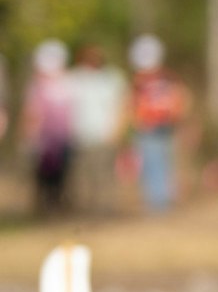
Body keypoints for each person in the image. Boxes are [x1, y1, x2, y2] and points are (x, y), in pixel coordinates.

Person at [128, 35, 191, 212]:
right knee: (159, 163)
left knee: (155, 163)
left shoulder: (141, 80)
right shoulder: (167, 77)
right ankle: (159, 201)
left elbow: (131, 103)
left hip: (155, 126)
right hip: (156, 125)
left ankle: (158, 202)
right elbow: (183, 98)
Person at [66, 43, 130, 215]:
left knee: (105, 176)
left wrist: (118, 130)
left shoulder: (112, 78)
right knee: (82, 177)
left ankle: (106, 211)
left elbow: (123, 105)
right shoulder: (73, 78)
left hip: (104, 135)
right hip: (79, 136)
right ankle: (84, 211)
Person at [19, 40, 77, 216]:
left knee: (61, 175)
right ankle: (43, 207)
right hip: (43, 139)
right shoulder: (36, 86)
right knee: (42, 175)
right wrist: (28, 134)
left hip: (63, 137)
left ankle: (58, 205)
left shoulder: (69, 83)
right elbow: (30, 112)